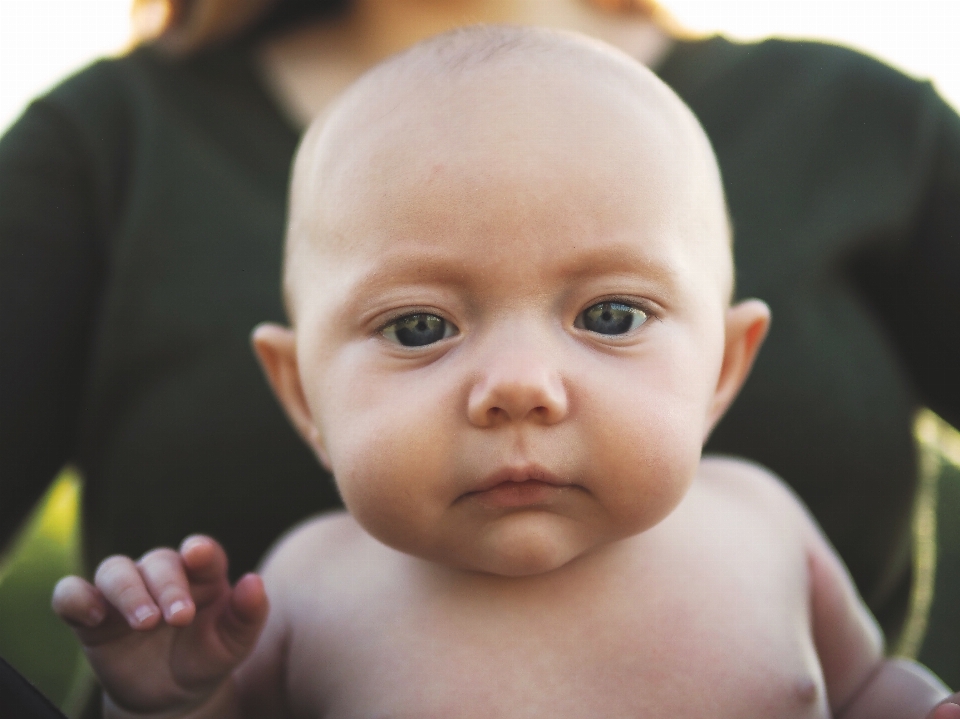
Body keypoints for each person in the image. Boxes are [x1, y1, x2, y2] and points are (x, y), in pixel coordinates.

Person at [3, 0, 958, 681]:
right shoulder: (296, 594)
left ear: (726, 364)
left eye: (612, 317)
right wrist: (168, 692)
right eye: (419, 328)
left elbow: (871, 686)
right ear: (299, 394)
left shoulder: (769, 530)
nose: (519, 386)